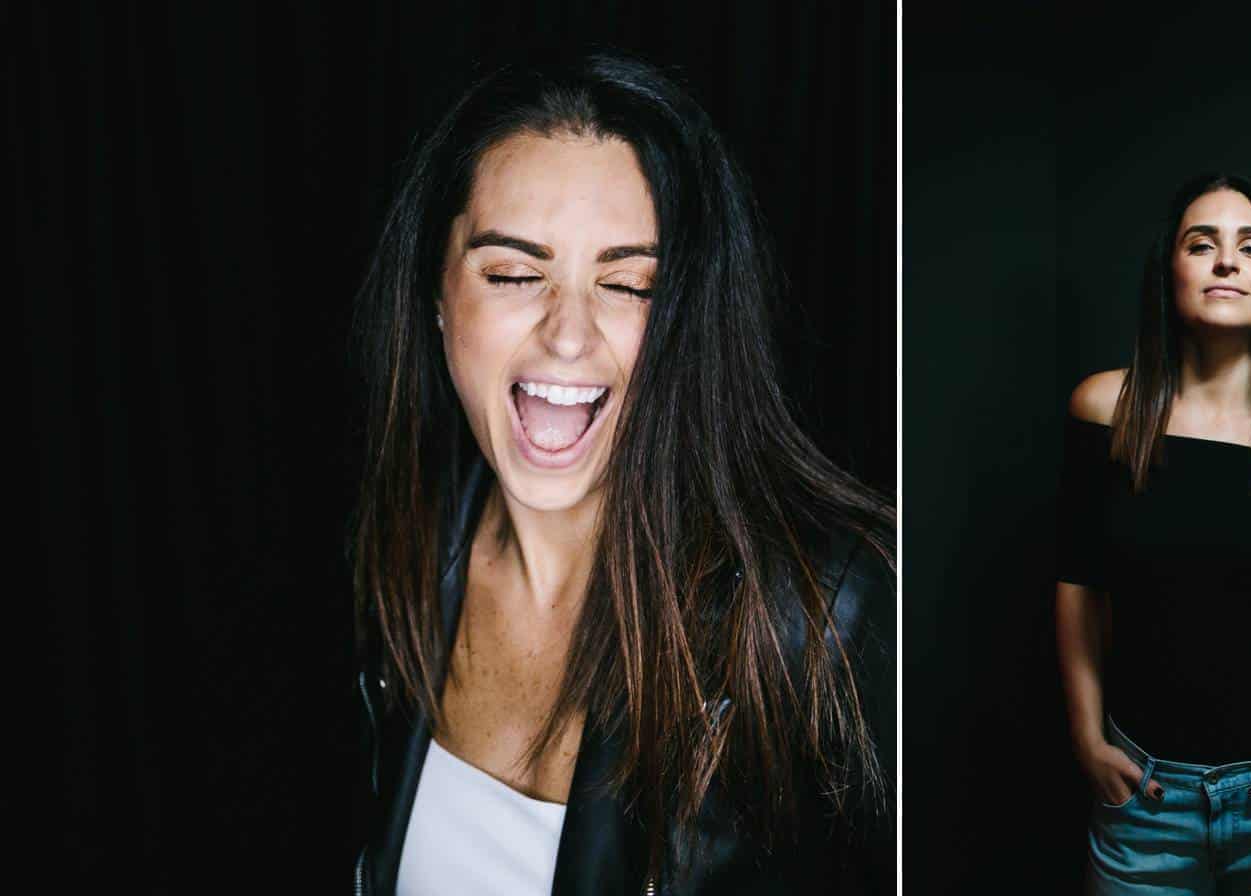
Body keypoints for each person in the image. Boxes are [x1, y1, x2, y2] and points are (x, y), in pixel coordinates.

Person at [345, 54, 895, 896]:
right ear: (437, 297)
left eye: (631, 285)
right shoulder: (403, 548)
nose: (569, 336)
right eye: (514, 274)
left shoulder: (829, 613)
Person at [1054, 173, 1251, 895]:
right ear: (1171, 269)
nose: (1226, 261)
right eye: (1203, 244)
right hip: (1147, 802)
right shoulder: (1105, 411)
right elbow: (1078, 586)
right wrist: (1086, 738)